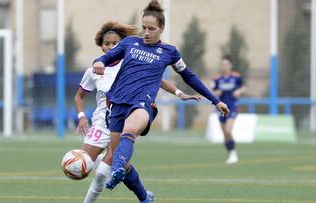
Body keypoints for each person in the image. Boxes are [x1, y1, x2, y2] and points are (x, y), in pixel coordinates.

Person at [92, 0, 230, 194]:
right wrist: (99, 62)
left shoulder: (169, 52)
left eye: (152, 29)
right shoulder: (129, 43)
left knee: (129, 132)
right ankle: (144, 196)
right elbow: (105, 58)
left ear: (162, 28)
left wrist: (216, 100)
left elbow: (189, 76)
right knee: (120, 158)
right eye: (144, 28)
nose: (147, 33)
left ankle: (116, 170)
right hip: (117, 103)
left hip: (142, 103)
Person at [75, 21, 201, 203]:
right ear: (101, 46)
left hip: (122, 120)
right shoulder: (95, 69)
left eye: (115, 43)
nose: (110, 47)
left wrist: (179, 93)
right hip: (100, 123)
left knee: (102, 172)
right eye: (106, 43)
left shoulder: (131, 61)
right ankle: (143, 195)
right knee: (81, 166)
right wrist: (81, 117)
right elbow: (79, 96)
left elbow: (160, 80)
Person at [212, 55, 245, 164]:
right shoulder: (217, 78)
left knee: (228, 130)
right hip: (221, 108)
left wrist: (239, 91)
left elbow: (243, 86)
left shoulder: (236, 77)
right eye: (222, 64)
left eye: (226, 64)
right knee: (225, 133)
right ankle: (231, 153)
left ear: (230, 66)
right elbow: (213, 90)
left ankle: (233, 154)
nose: (224, 66)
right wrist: (217, 92)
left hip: (232, 106)